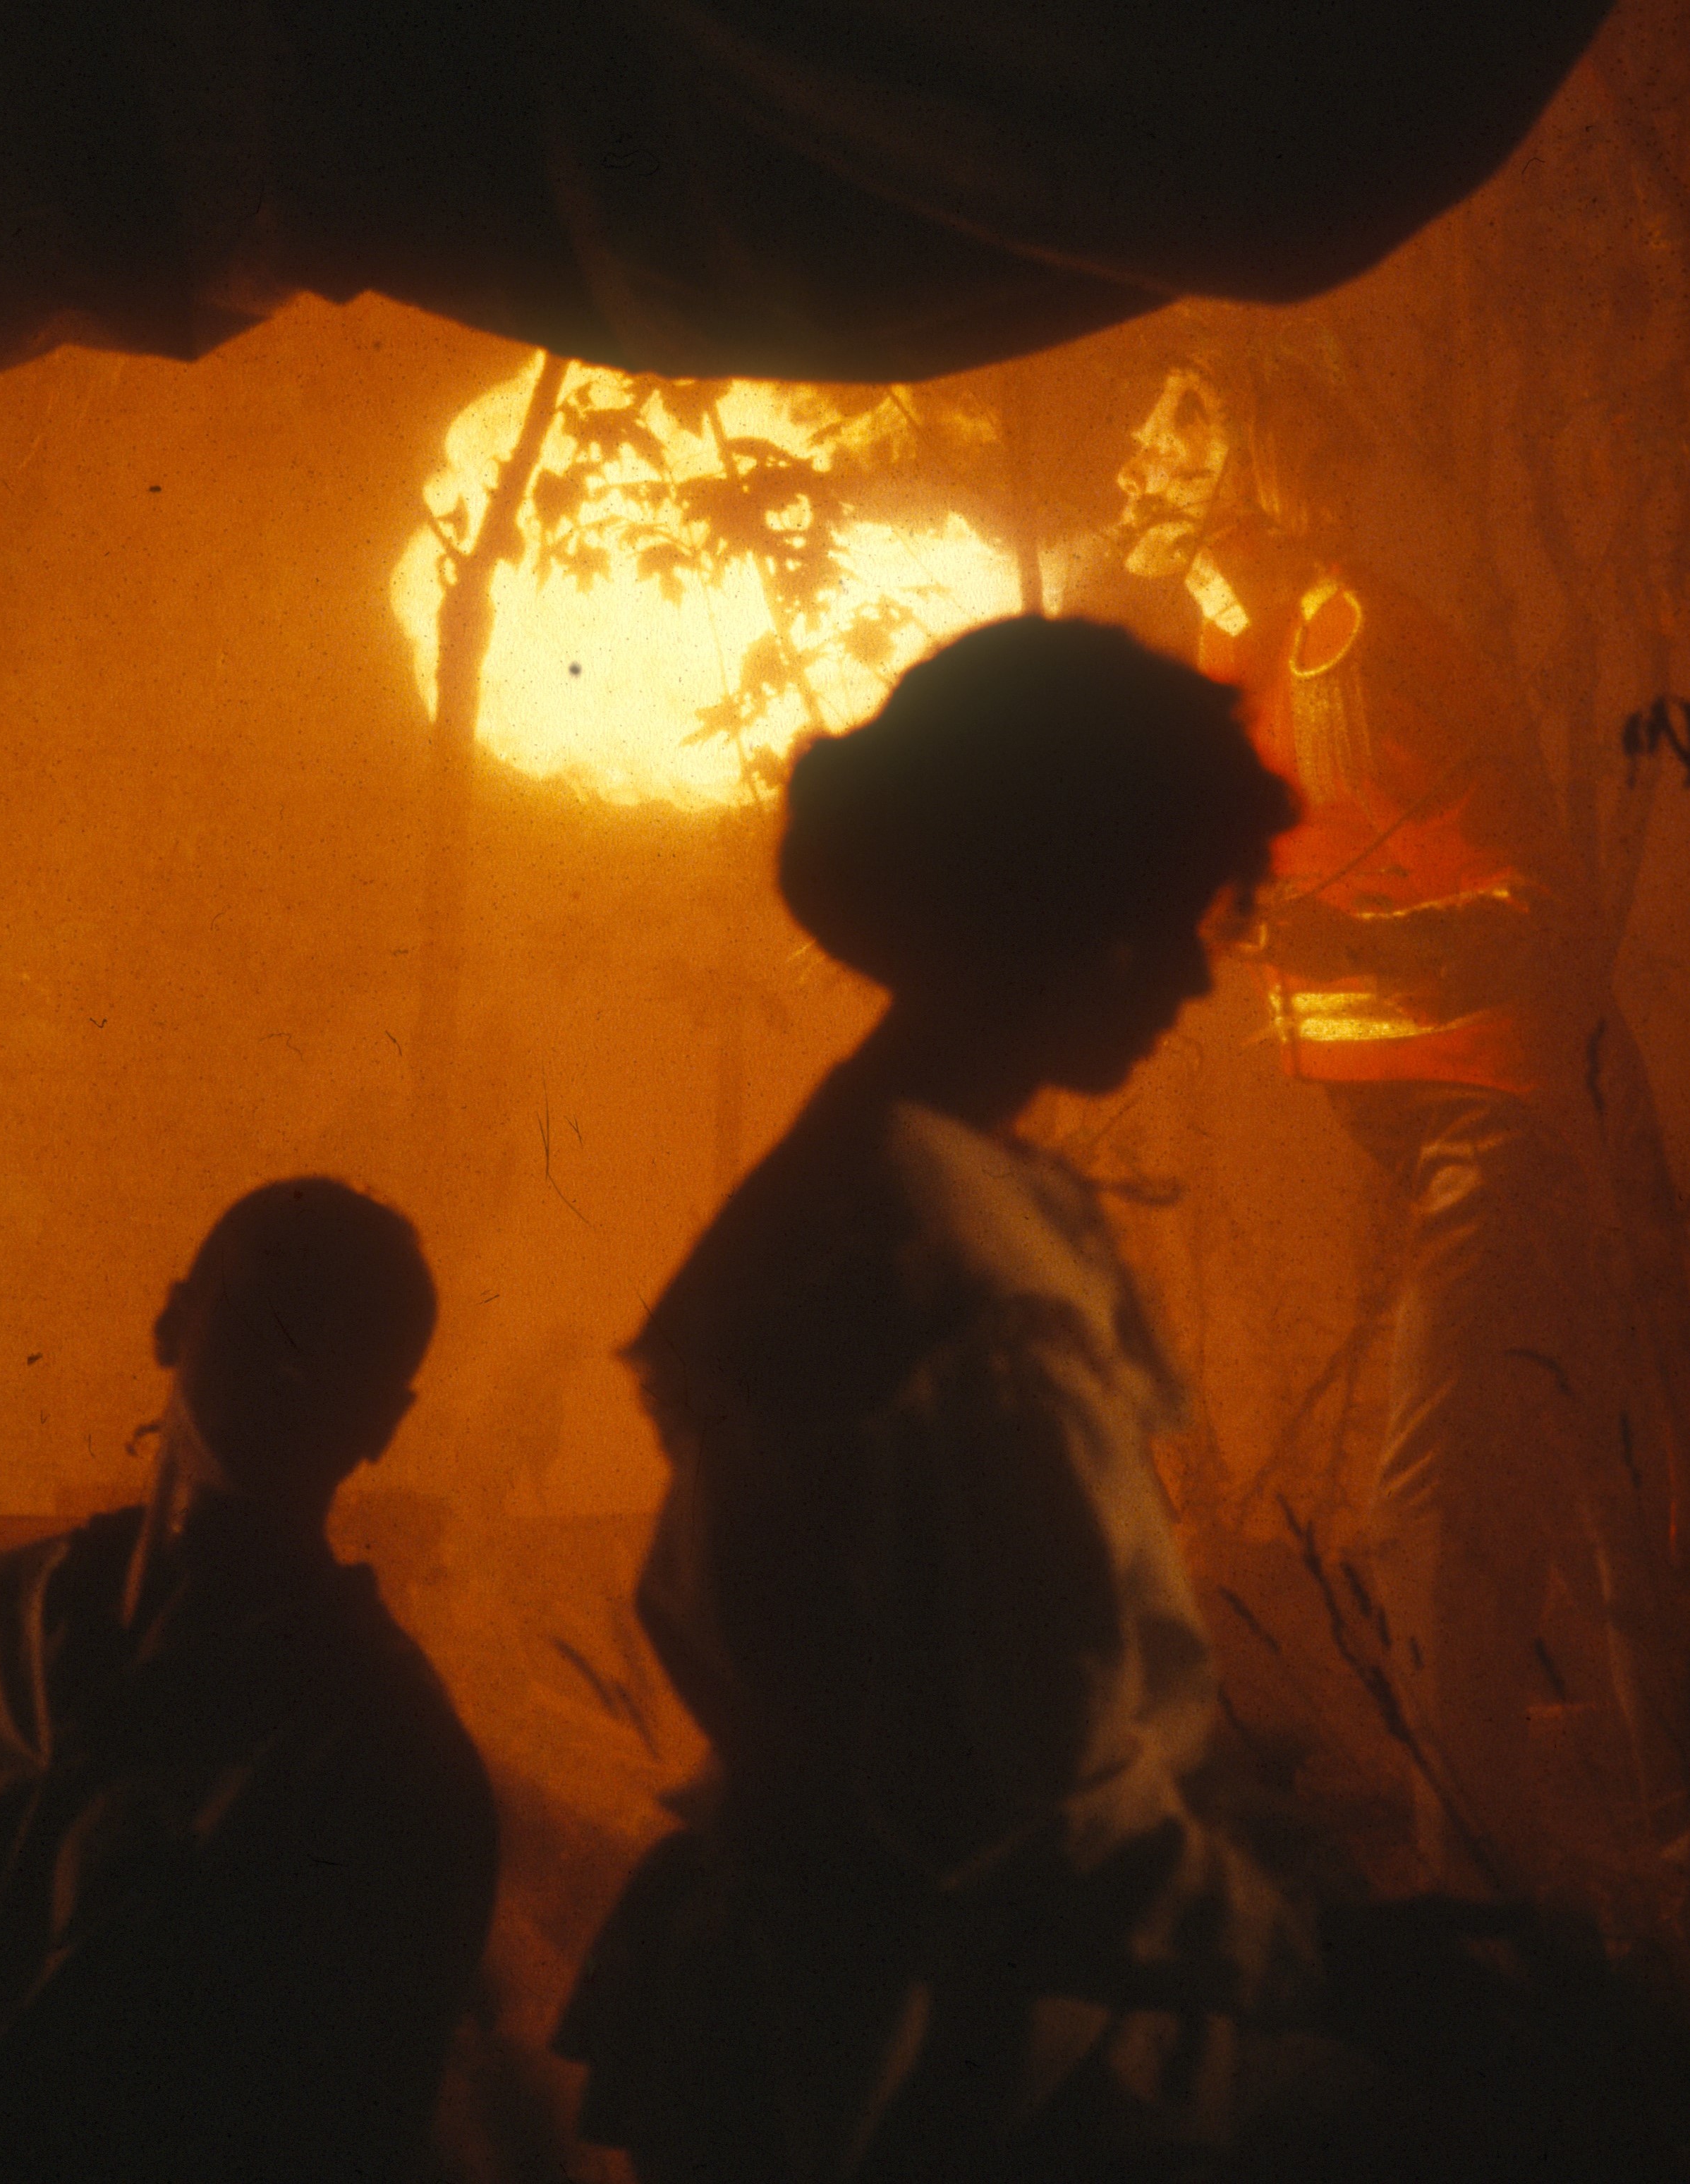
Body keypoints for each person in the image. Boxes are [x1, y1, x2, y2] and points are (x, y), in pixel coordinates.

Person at [555, 619, 1340, 2184]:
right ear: (1050, 905)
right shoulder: (938, 1266)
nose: (1196, 971)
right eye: (1166, 917)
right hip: (951, 2068)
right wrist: (1332, 1959)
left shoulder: (918, 1190)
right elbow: (1028, 1809)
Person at [1110, 348, 1689, 1918]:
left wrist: (1349, 941)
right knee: (1597, 1472)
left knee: (1434, 1502)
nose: (1134, 466)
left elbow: (1536, 902)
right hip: (1416, 1114)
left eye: (1174, 436)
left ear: (1258, 466)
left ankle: (1474, 1885)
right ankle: (1634, 1854)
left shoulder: (1355, 638)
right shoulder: (1235, 647)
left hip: (1505, 1106)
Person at [0, 1177, 499, 2183]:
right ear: (171, 1323)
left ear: (385, 1420)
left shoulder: (388, 1762)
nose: (294, 1367)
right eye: (266, 1313)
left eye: (345, 1345)